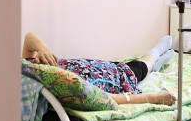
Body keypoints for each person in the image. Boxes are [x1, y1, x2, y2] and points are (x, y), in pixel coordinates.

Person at [22, 32, 177, 106]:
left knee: (135, 66)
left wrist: (42, 48)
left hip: (98, 66)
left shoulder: (26, 72)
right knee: (140, 67)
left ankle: (156, 63)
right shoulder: (68, 87)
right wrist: (154, 98)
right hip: (117, 76)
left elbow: (29, 38)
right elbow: (107, 98)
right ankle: (155, 54)